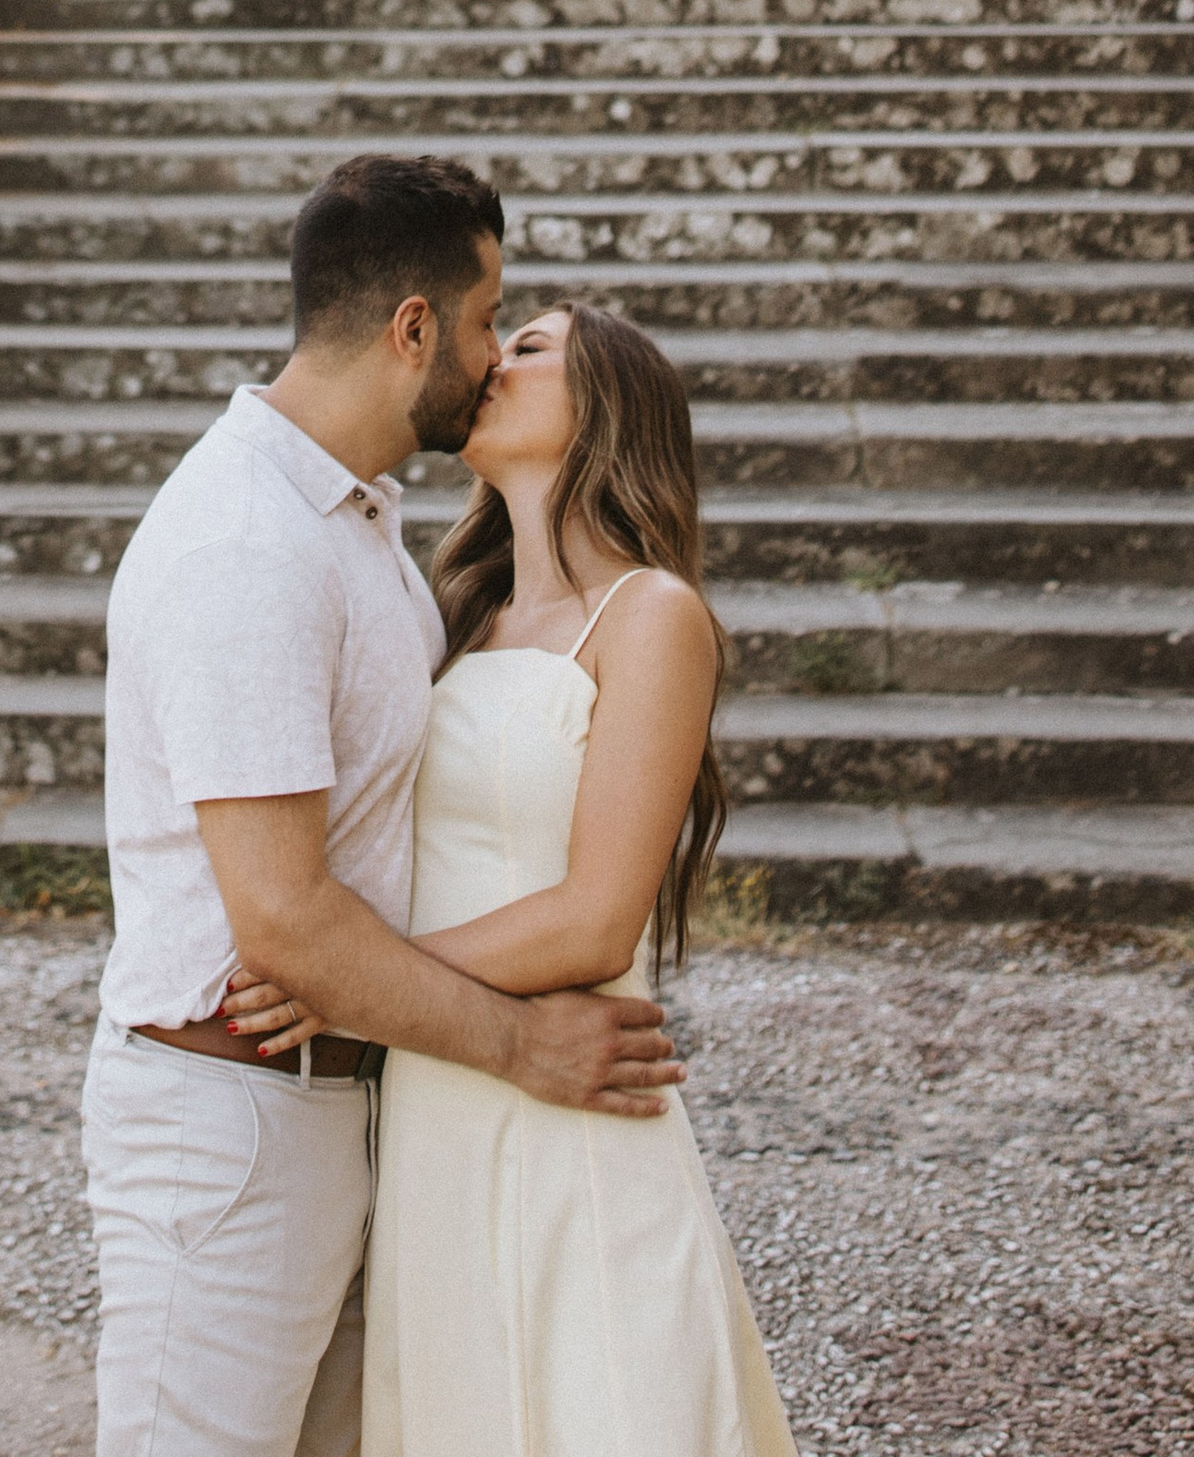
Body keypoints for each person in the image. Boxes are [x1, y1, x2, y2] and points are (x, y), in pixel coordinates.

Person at [85, 154, 686, 1457]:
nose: (493, 356)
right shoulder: (244, 543)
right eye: (486, 324)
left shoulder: (363, 529)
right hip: (232, 1122)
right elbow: (286, 925)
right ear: (413, 328)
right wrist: (523, 1046)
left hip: (366, 1106)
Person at [236, 300, 796, 1457]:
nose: (492, 358)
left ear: (607, 405)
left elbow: (596, 921)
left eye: (529, 346)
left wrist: (347, 982)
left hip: (570, 1105)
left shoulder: (651, 616)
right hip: (434, 1099)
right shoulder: (458, 613)